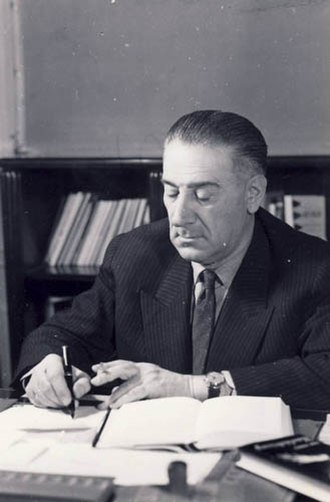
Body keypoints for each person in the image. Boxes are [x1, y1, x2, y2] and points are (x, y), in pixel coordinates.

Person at [15, 110, 330, 411]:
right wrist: (48, 367)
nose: (179, 217)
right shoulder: (134, 253)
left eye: (203, 197)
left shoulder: (313, 268)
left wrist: (195, 387)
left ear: (253, 194)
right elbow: (63, 334)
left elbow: (324, 373)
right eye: (171, 192)